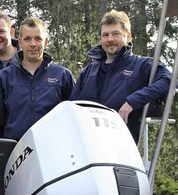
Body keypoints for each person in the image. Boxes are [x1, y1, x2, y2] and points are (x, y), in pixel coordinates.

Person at [70, 9, 172, 142]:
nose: (110, 39)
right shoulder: (89, 71)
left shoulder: (142, 65)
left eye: (116, 34)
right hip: (87, 147)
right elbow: (71, 107)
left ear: (128, 36)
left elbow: (169, 80)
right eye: (105, 35)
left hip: (121, 150)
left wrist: (132, 101)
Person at [0, 16, 74, 141]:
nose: (33, 44)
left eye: (38, 39)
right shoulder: (4, 77)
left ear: (46, 42)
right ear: (20, 42)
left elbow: (73, 120)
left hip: (53, 150)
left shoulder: (63, 76)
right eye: (27, 39)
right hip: (13, 151)